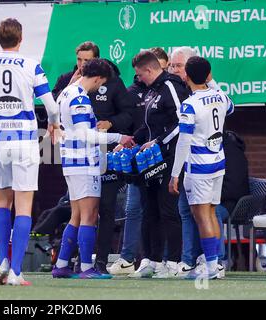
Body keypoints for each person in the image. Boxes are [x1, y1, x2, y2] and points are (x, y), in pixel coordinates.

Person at [0, 18, 60, 286]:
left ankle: (4, 264)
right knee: (23, 207)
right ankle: (17, 273)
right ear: (20, 39)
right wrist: (54, 123)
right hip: (23, 140)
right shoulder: (32, 65)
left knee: (1, 203)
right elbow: (51, 107)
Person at [52, 41, 134, 273]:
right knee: (89, 215)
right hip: (84, 161)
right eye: (101, 83)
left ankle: (61, 264)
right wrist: (118, 137)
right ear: (97, 78)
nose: (100, 88)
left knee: (76, 215)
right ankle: (87, 266)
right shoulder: (79, 97)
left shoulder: (66, 91)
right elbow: (85, 134)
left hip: (70, 159)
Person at [169, 56, 234, 279]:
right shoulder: (221, 96)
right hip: (218, 163)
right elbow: (231, 107)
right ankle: (217, 265)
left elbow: (184, 141)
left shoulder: (190, 104)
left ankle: (210, 267)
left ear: (186, 76)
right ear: (208, 74)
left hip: (199, 166)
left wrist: (175, 174)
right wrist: (212, 82)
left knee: (203, 216)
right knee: (212, 213)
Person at [130, 50, 189, 278]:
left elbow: (181, 123)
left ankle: (173, 262)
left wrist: (158, 141)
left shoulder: (171, 87)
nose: (138, 79)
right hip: (150, 158)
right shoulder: (151, 91)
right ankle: (150, 260)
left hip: (169, 157)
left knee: (168, 210)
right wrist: (131, 140)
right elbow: (148, 124)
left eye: (139, 74)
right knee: (149, 209)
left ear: (150, 70)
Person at [108, 47, 166, 276]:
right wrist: (127, 140)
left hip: (161, 156)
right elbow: (131, 123)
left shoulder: (168, 89)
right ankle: (129, 258)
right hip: (137, 156)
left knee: (163, 210)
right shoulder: (132, 92)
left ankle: (163, 259)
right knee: (134, 208)